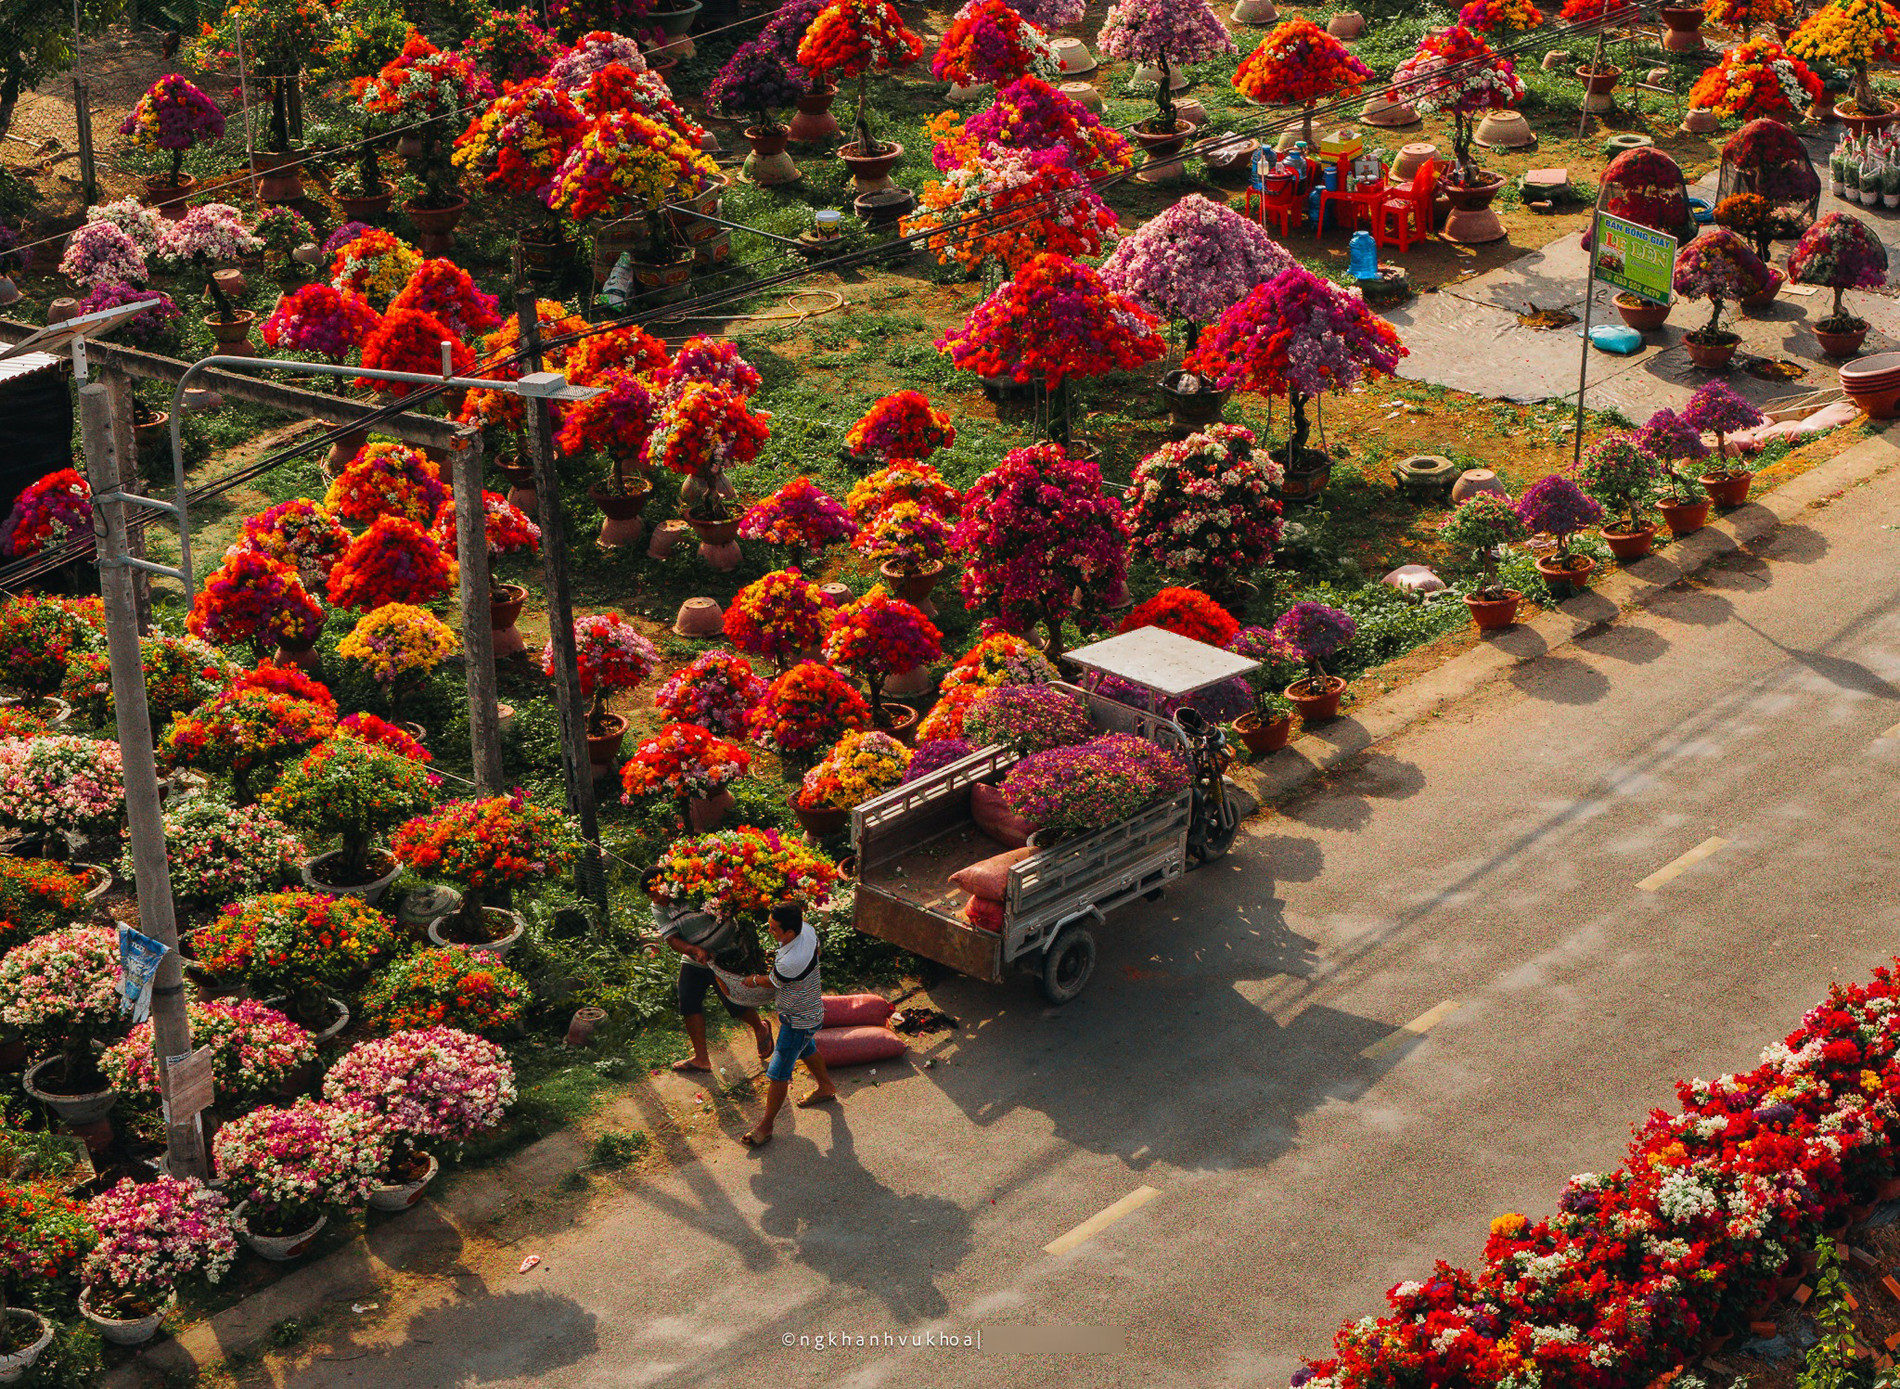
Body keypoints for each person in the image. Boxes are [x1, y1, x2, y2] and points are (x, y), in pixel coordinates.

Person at [642, 867, 773, 1074]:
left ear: (665, 885)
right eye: (651, 897)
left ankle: (761, 1028)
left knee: (732, 1001)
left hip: (726, 952)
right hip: (695, 958)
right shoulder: (658, 908)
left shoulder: (693, 889)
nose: (656, 900)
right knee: (688, 1000)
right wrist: (694, 949)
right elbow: (672, 939)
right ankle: (701, 1058)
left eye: (656, 893)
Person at [739, 901, 837, 1148]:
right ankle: (826, 1087)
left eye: (774, 929)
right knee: (807, 1049)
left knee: (778, 1073)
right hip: (808, 1010)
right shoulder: (808, 929)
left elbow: (771, 982)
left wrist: (752, 980)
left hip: (798, 1020)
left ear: (790, 933)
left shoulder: (790, 962)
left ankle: (766, 1126)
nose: (770, 932)